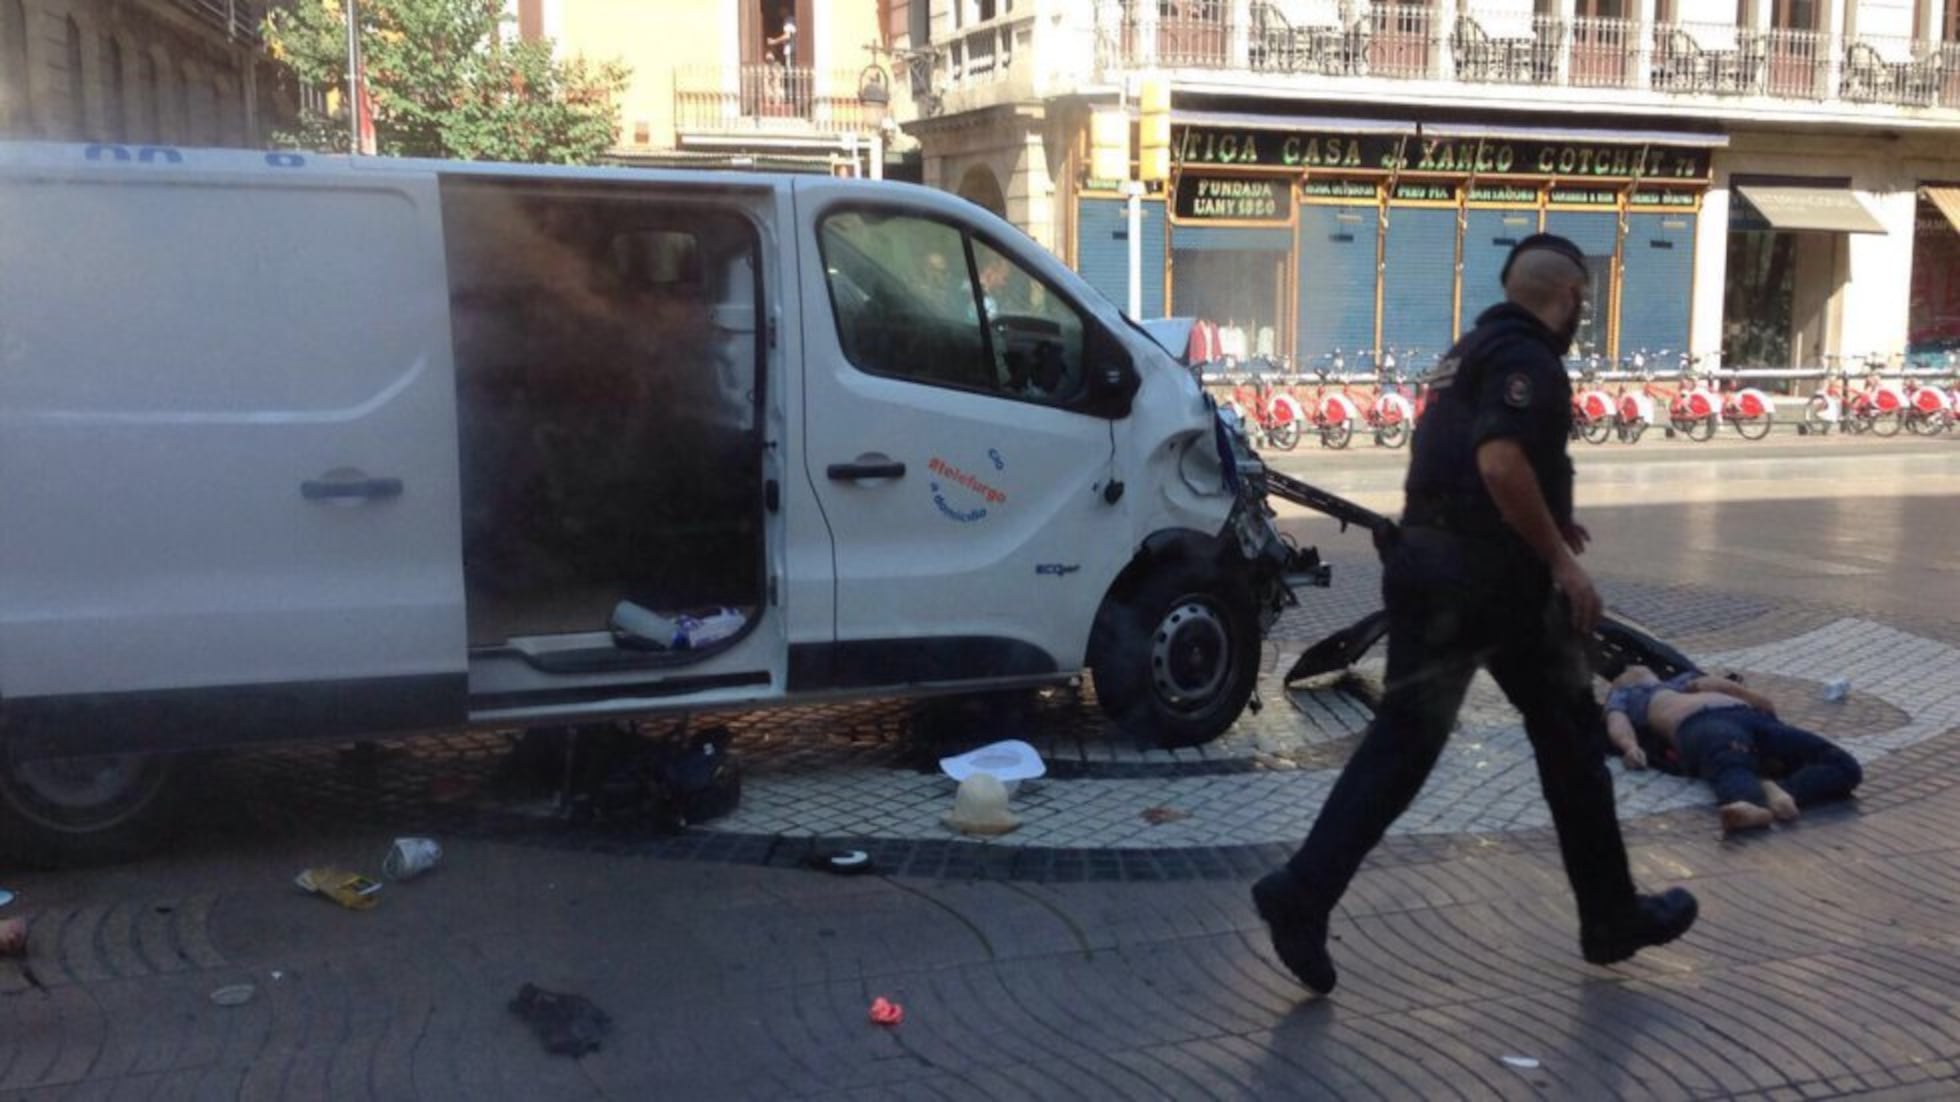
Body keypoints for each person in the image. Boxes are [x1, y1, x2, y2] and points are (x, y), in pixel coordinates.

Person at [1252, 234, 1698, 996]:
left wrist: (1552, 523)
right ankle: (1610, 916)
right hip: (1493, 586)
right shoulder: (1530, 358)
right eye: (1581, 304)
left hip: (1429, 566)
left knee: (1404, 746)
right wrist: (1560, 559)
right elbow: (1498, 460)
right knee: (1569, 738)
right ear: (1571, 298)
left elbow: (1463, 465)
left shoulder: (1466, 352)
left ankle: (1303, 892)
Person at [1605, 665, 1862, 832]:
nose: (1631, 669)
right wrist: (1629, 746)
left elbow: (1719, 685)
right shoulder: (1627, 696)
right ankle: (1750, 805)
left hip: (1750, 716)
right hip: (1702, 723)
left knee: (1844, 766)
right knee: (1729, 762)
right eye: (1626, 672)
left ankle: (1780, 792)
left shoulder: (1680, 681)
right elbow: (1617, 721)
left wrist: (1754, 699)